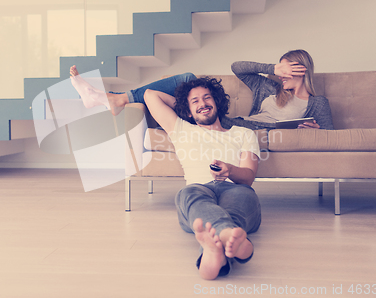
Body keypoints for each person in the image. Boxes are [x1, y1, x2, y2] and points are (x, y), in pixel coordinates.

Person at [143, 77, 261, 280]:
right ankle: (233, 241)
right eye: (195, 101)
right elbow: (150, 95)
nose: (203, 103)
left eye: (207, 98)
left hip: (236, 188)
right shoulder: (181, 129)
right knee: (188, 194)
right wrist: (183, 106)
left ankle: (214, 254)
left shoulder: (244, 133)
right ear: (187, 111)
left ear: (217, 102)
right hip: (198, 189)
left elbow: (248, 177)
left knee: (241, 198)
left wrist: (230, 170)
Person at [68, 49, 334, 129]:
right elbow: (237, 65)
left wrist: (312, 133)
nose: (282, 74)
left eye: (288, 69)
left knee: (166, 95)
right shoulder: (268, 86)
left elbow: (331, 137)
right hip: (230, 122)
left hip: (241, 131)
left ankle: (113, 99)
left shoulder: (317, 103)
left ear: (303, 70)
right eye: (281, 69)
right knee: (186, 77)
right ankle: (118, 99)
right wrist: (272, 68)